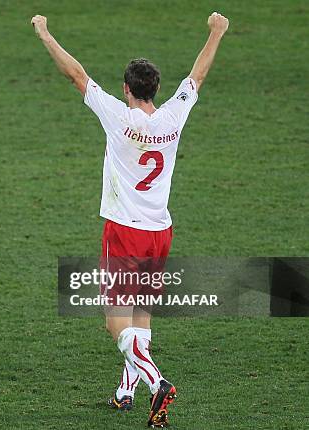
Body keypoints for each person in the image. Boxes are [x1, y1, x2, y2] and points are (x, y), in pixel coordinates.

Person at [31, 12, 229, 427]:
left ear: (126, 89)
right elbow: (197, 76)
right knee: (141, 312)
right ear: (156, 89)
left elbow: (76, 76)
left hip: (124, 231)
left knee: (114, 319)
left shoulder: (119, 117)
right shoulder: (173, 116)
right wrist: (216, 32)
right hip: (161, 231)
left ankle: (155, 381)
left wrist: (46, 33)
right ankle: (126, 391)